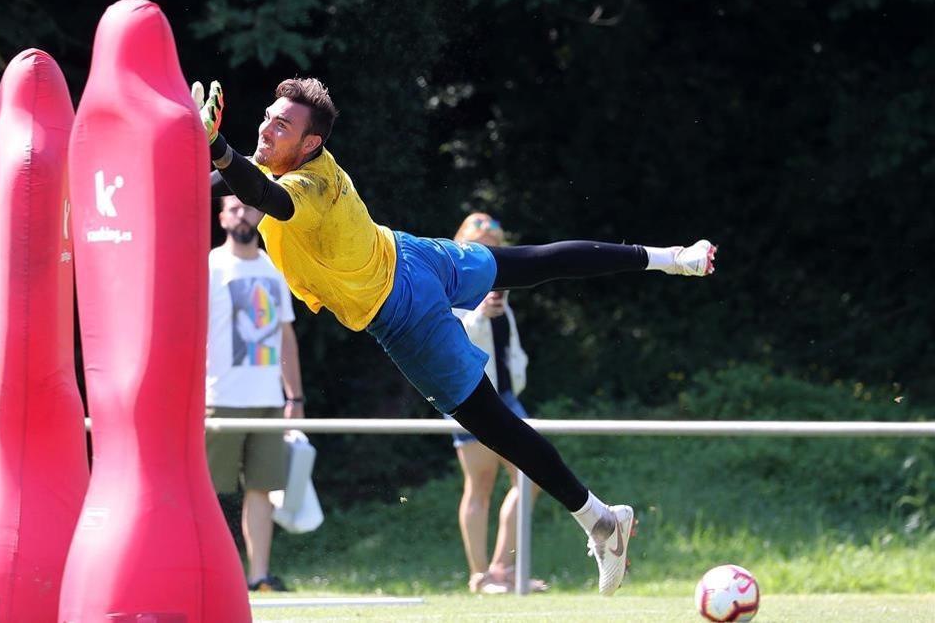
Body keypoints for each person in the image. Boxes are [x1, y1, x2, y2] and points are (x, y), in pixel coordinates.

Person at [195, 77, 717, 595]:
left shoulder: (308, 184)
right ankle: (674, 258)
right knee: (530, 264)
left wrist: (216, 146)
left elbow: (263, 195)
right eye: (267, 115)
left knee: (495, 425)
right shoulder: (274, 162)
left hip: (401, 309)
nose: (265, 127)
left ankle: (602, 521)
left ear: (311, 144)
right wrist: (188, 145)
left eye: (281, 124)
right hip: (410, 254)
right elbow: (225, 181)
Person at [205, 194, 306, 593]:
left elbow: (285, 336)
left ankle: (258, 576)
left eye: (248, 207)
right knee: (211, 492)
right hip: (219, 399)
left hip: (267, 399)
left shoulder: (273, 268)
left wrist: (294, 397)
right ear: (221, 217)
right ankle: (210, 574)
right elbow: (191, 334)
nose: (242, 214)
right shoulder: (210, 266)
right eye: (234, 208)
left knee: (263, 489)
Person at [446, 212, 546, 595]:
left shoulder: (503, 295)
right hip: (467, 395)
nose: (490, 254)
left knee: (531, 475)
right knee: (480, 484)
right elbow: (449, 340)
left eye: (496, 247)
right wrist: (479, 315)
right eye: (482, 246)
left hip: (505, 399)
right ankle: (480, 575)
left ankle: (502, 568)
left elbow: (514, 354)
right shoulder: (453, 287)